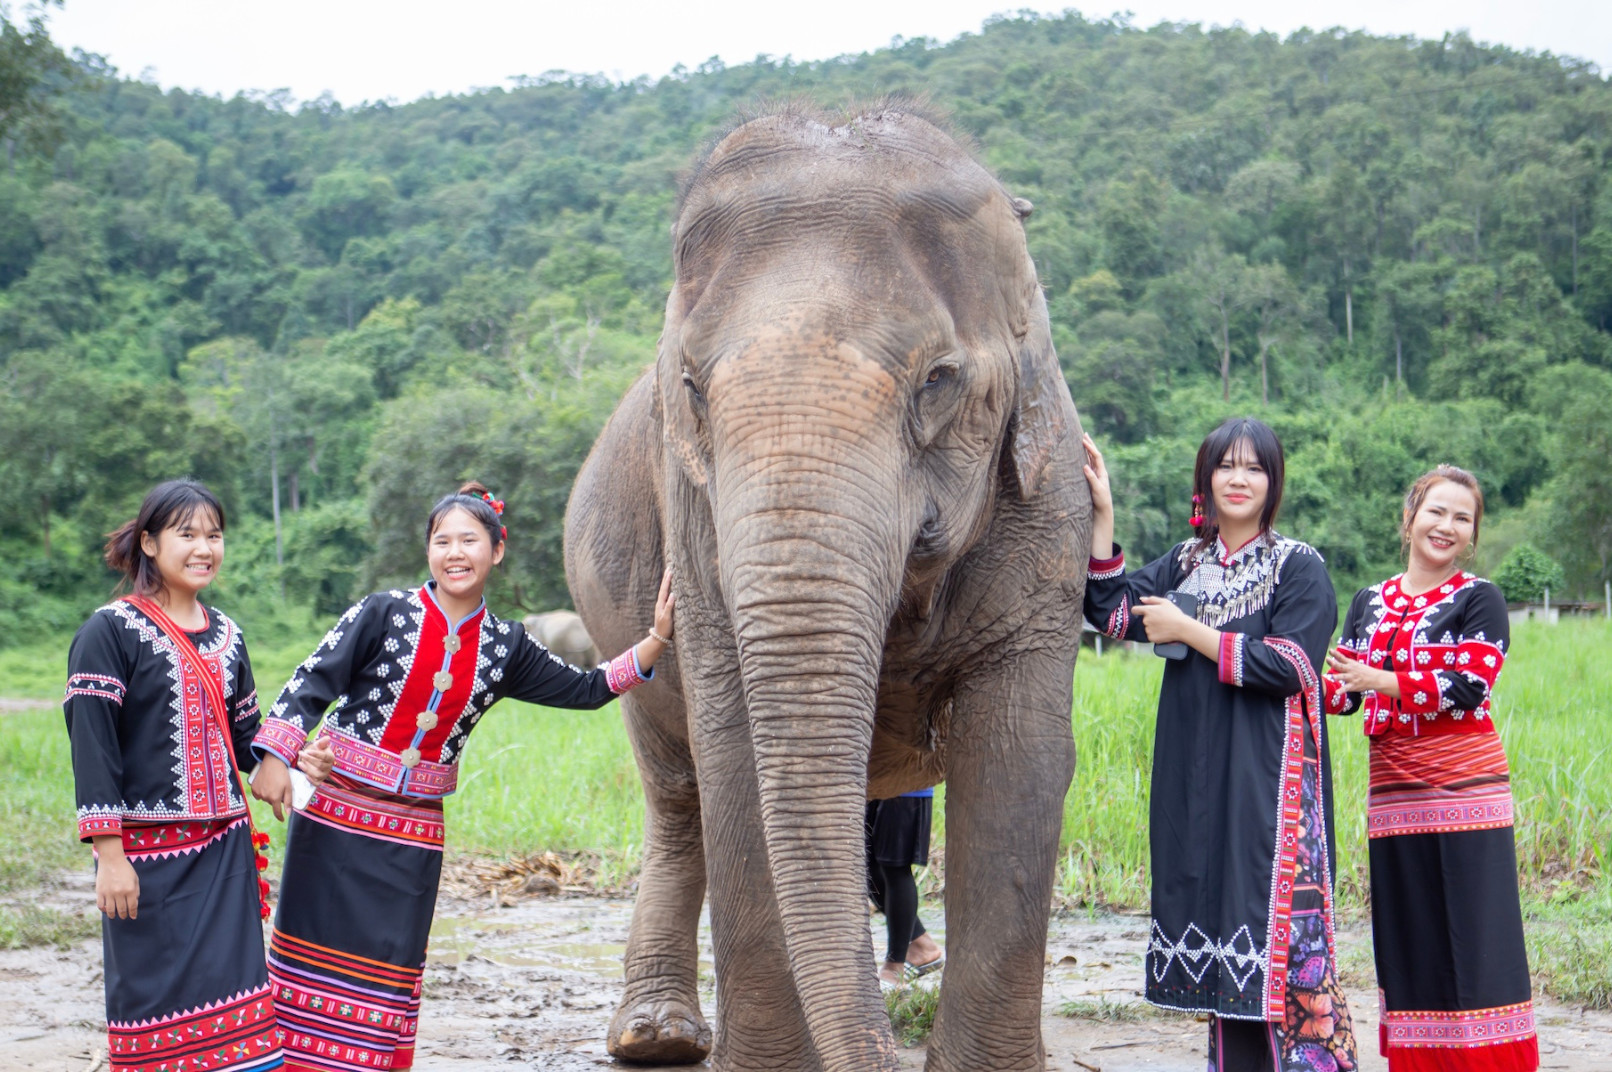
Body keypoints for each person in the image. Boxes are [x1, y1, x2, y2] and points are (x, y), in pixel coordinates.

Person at [251, 481, 673, 1071]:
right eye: (442, 540)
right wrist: (275, 755)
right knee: (310, 958)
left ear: (496, 551)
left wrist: (655, 639)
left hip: (413, 835)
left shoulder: (507, 645)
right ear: (428, 550)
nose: (455, 552)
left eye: (469, 540)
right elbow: (312, 680)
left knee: (388, 967)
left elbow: (588, 689)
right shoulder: (382, 613)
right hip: (336, 818)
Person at [1083, 419, 1357, 1072]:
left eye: (1254, 467)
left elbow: (1290, 665)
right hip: (1200, 784)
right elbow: (1111, 613)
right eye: (1226, 465)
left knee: (1287, 961)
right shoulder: (1186, 563)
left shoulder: (1299, 565)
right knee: (1224, 955)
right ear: (1206, 479)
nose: (1239, 478)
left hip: (1271, 791)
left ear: (1273, 482)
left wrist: (1189, 628)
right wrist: (1104, 515)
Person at [63, 478, 335, 1072]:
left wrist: (289, 757)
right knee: (152, 1005)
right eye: (186, 534)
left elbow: (243, 738)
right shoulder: (109, 632)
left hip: (223, 854)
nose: (204, 547)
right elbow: (93, 746)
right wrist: (110, 854)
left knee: (238, 1010)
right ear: (150, 543)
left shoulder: (229, 634)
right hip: (145, 860)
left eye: (214, 534)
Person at [1324, 466, 1538, 1072]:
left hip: (1465, 790)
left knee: (1479, 937)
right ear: (1410, 516)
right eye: (1436, 511)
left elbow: (1469, 685)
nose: (1446, 526)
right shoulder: (1370, 600)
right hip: (1393, 794)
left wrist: (1379, 679)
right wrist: (1290, 671)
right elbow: (1343, 695)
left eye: (1462, 518)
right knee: (1409, 934)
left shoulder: (1480, 598)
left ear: (1472, 536)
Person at [865, 788, 944, 990]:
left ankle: (895, 967)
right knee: (867, 866)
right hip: (875, 781)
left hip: (908, 784)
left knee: (895, 867)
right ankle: (922, 945)